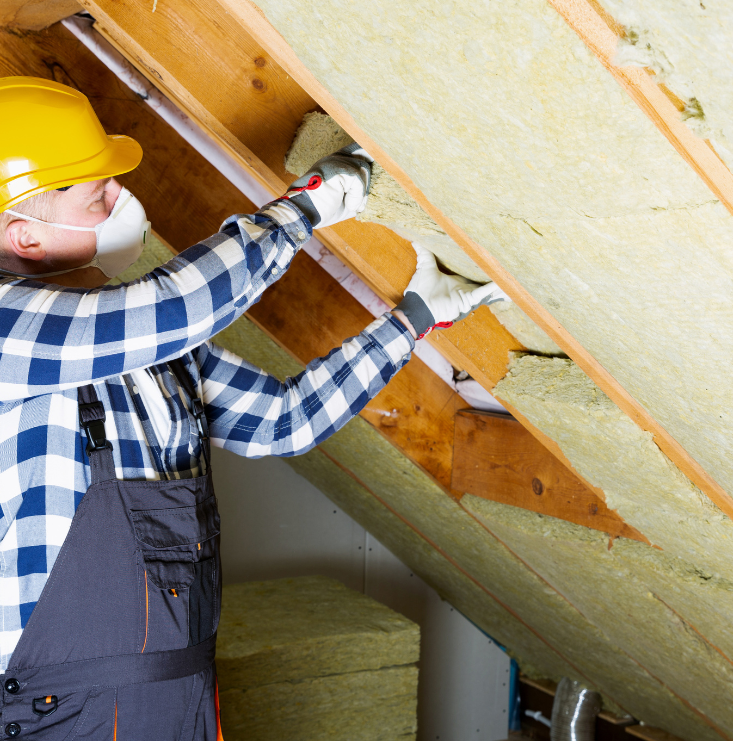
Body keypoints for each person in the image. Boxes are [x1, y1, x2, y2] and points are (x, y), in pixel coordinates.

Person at [0, 76, 503, 739]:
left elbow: (281, 422)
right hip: (66, 711)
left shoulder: (144, 346)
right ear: (26, 239)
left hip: (179, 691)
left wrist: (410, 321)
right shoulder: (12, 329)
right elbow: (182, 306)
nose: (123, 200)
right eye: (100, 196)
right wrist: (304, 211)